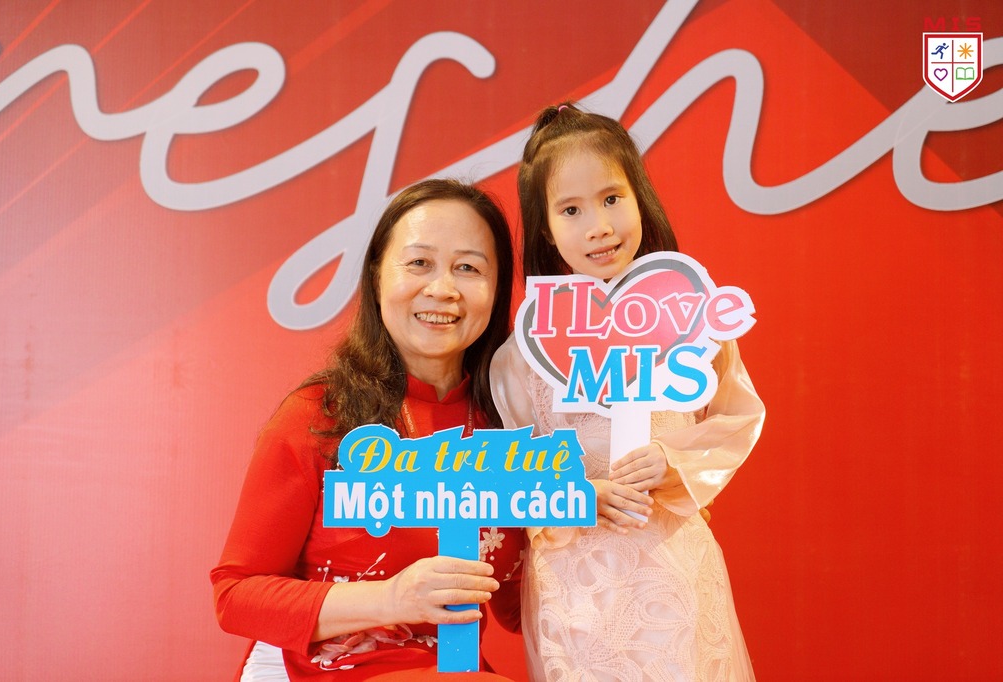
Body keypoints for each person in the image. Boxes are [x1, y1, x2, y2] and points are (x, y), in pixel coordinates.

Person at [490, 103, 765, 681]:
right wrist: (573, 494)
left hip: (674, 572)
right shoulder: (523, 354)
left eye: (612, 198)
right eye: (571, 209)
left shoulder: (694, 323)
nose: (599, 226)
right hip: (576, 591)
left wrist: (673, 459)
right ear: (545, 228)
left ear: (640, 198)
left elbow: (736, 418)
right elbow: (510, 472)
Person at [211, 179, 524, 681]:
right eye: (419, 263)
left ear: (497, 289)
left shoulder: (511, 424)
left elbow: (518, 607)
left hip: (455, 671)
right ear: (377, 275)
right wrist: (392, 598)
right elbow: (236, 596)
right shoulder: (320, 416)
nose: (442, 288)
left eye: (469, 268)